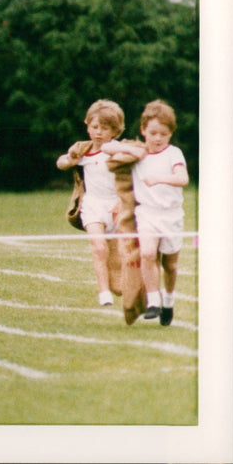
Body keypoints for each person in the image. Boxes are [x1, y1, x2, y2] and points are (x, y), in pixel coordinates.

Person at [103, 100, 189, 325]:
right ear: (143, 131)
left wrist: (159, 179)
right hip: (147, 214)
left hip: (170, 215)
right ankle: (153, 301)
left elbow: (183, 179)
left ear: (170, 134)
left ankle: (168, 301)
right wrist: (130, 149)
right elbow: (106, 147)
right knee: (148, 254)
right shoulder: (138, 152)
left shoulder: (174, 153)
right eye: (152, 133)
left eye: (163, 133)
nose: (158, 138)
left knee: (170, 265)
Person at [57, 100, 125, 306]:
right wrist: (70, 159)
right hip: (92, 206)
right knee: (98, 247)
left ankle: (121, 287)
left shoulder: (120, 151)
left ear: (114, 130)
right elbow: (60, 162)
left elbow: (134, 177)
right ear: (87, 126)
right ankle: (103, 293)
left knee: (119, 282)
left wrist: (123, 202)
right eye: (95, 127)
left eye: (105, 128)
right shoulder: (83, 150)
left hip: (116, 207)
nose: (99, 132)